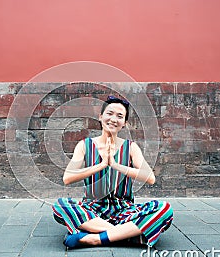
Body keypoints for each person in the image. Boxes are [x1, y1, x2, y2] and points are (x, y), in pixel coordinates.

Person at [52, 95, 173, 248]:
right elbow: (67, 178)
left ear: (124, 123)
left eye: (120, 116)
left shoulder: (131, 147)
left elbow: (150, 178)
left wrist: (116, 165)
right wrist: (101, 165)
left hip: (125, 211)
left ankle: (94, 238)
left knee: (165, 210)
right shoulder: (84, 145)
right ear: (100, 116)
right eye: (109, 113)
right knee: (60, 206)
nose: (113, 119)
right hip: (92, 211)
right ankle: (126, 234)